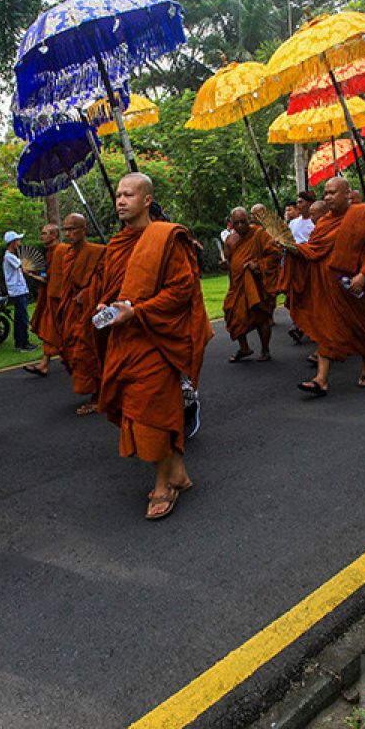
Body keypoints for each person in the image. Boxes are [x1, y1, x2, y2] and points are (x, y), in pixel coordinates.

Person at [93, 173, 212, 520]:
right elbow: (112, 287)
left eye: (128, 194)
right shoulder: (116, 245)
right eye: (117, 195)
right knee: (134, 406)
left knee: (151, 412)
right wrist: (106, 305)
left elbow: (181, 290)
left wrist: (138, 312)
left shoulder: (167, 237)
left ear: (147, 200)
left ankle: (163, 484)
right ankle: (178, 472)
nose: (120, 201)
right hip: (124, 338)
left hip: (156, 339)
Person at [288, 176, 365, 396]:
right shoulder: (324, 222)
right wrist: (290, 247)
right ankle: (321, 380)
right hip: (327, 285)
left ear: (347, 193)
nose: (328, 197)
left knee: (361, 326)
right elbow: (313, 249)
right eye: (326, 193)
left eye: (333, 193)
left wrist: (363, 274)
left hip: (354, 284)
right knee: (327, 327)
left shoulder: (363, 214)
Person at [57, 213, 106, 415]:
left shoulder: (98, 252)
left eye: (73, 228)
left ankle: (98, 396)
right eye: (66, 229)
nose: (69, 233)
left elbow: (107, 281)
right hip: (73, 310)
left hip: (91, 311)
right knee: (71, 349)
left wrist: (87, 293)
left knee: (90, 351)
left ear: (84, 230)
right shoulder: (67, 255)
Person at [222, 206, 278, 363]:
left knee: (261, 316)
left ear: (249, 220)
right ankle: (244, 348)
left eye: (243, 222)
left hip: (256, 283)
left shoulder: (260, 234)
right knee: (231, 311)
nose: (241, 226)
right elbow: (229, 260)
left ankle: (265, 349)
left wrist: (257, 265)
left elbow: (275, 255)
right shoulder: (230, 239)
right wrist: (225, 264)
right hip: (237, 285)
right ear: (231, 223)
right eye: (237, 223)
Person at [24, 223, 64, 376]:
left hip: (60, 297)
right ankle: (44, 364)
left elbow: (53, 279)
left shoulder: (61, 251)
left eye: (45, 233)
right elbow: (47, 275)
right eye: (42, 233)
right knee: (51, 328)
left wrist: (32, 276)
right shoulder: (49, 252)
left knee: (57, 329)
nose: (42, 236)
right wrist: (35, 274)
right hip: (49, 297)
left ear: (54, 235)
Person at [3, 230, 38, 352]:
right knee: (22, 318)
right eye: (17, 240)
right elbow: (23, 267)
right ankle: (24, 343)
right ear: (12, 242)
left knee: (20, 317)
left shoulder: (11, 256)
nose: (19, 242)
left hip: (19, 290)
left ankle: (20, 342)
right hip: (18, 291)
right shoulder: (9, 257)